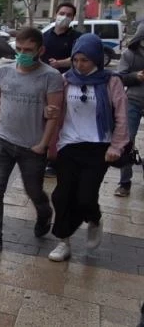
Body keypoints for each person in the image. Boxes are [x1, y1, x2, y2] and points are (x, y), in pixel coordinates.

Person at [0, 27, 64, 256]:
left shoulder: (51, 76)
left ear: (40, 50)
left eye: (28, 50)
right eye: (19, 48)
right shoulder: (4, 73)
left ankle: (44, 214)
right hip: (3, 140)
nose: (22, 53)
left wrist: (43, 144)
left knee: (33, 190)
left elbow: (55, 114)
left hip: (32, 146)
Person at [46, 34, 128, 261]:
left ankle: (94, 219)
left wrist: (117, 146)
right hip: (69, 144)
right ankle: (63, 241)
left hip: (99, 146)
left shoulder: (111, 82)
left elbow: (122, 117)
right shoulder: (65, 80)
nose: (79, 65)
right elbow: (54, 109)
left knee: (85, 196)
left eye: (85, 60)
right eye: (76, 60)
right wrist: (49, 113)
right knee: (62, 195)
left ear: (97, 60)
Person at [41, 2, 81, 177]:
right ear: (55, 13)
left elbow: (79, 59)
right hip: (44, 84)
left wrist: (60, 63)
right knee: (43, 119)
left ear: (72, 18)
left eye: (68, 14)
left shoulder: (76, 37)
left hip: (66, 85)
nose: (64, 16)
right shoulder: (44, 36)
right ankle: (41, 153)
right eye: (62, 13)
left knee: (59, 122)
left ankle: (54, 160)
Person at [114, 23, 144, 197]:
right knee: (127, 141)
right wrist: (135, 76)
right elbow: (119, 78)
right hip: (132, 101)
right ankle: (125, 182)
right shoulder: (130, 54)